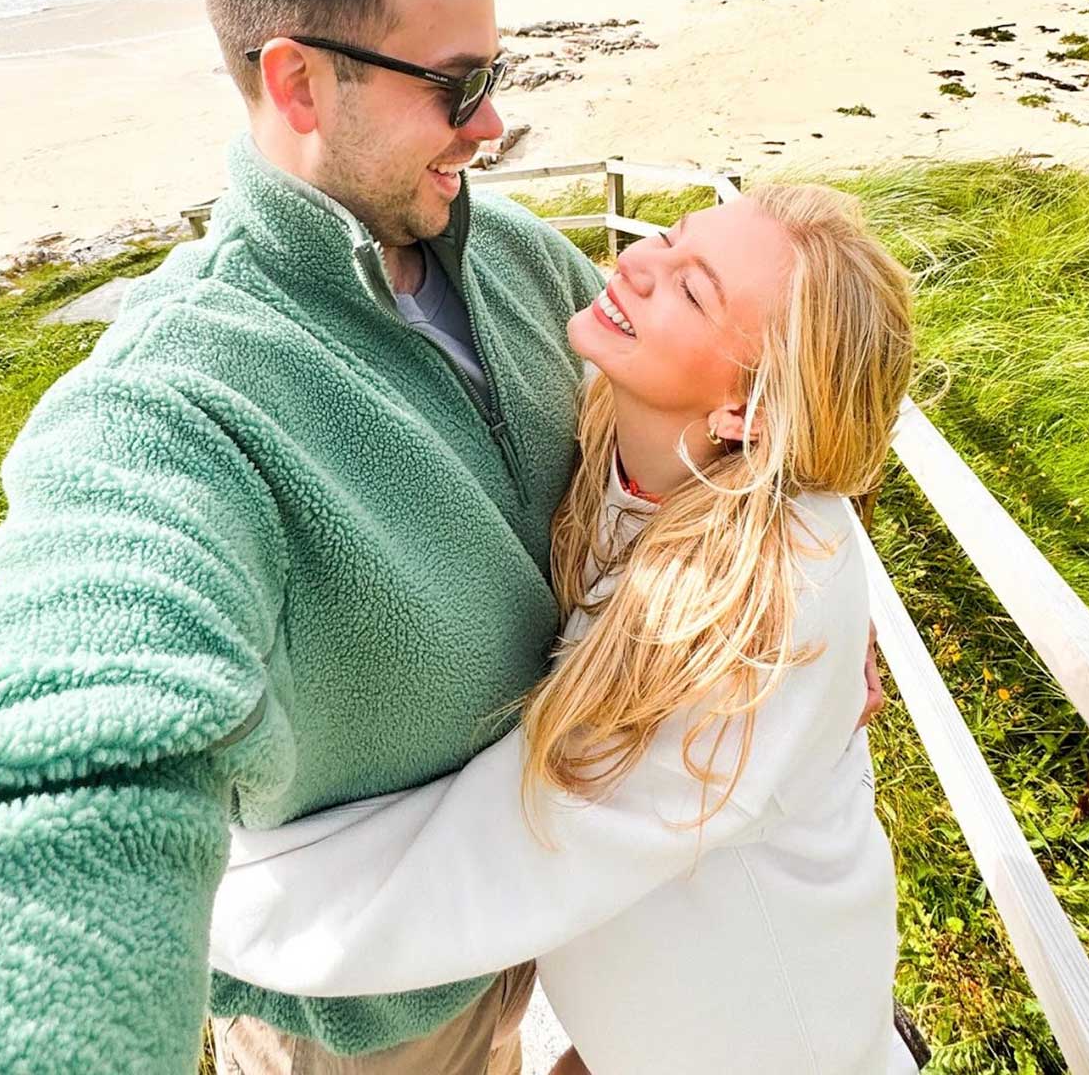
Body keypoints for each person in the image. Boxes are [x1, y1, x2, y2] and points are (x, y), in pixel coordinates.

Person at [0, 0, 605, 1075]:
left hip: (573, 897)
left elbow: (704, 444)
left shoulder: (532, 266)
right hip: (372, 1006)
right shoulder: (171, 400)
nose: (492, 124)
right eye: (458, 84)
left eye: (496, 74)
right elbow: (88, 738)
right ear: (300, 82)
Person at [209, 183, 920, 1073]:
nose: (636, 264)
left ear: (750, 415)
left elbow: (503, 854)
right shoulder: (643, 444)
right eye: (668, 236)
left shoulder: (749, 625)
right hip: (672, 1021)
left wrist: (186, 896)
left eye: (693, 289)